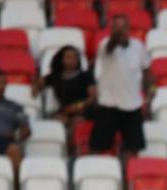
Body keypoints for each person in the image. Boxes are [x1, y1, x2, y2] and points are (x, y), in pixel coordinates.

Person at [91, 13, 151, 158]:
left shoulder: (138, 46)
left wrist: (150, 92)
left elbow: (146, 70)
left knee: (133, 149)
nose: (120, 30)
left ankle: (128, 177)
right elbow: (110, 47)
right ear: (110, 29)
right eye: (116, 27)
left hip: (132, 106)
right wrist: (115, 37)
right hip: (108, 104)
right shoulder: (105, 45)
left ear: (129, 28)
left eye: (123, 27)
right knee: (99, 148)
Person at [36, 45, 95, 131]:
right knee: (57, 121)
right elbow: (39, 83)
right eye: (69, 57)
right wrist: (35, 87)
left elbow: (93, 97)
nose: (72, 60)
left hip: (83, 111)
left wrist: (78, 106)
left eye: (75, 57)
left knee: (76, 123)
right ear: (62, 60)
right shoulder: (55, 76)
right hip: (65, 111)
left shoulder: (85, 76)